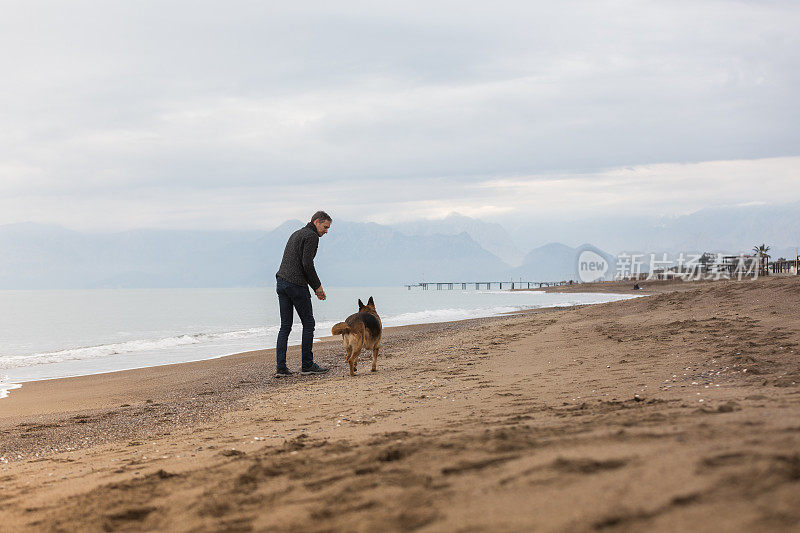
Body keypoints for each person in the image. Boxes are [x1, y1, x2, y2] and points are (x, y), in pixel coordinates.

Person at [274, 211, 332, 377]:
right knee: (308, 323)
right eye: (325, 227)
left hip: (281, 282)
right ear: (316, 222)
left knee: (285, 325)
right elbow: (307, 264)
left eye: (328, 228)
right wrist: (318, 287)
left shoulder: (296, 233)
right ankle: (307, 365)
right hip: (296, 284)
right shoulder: (311, 237)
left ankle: (281, 368)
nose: (326, 231)